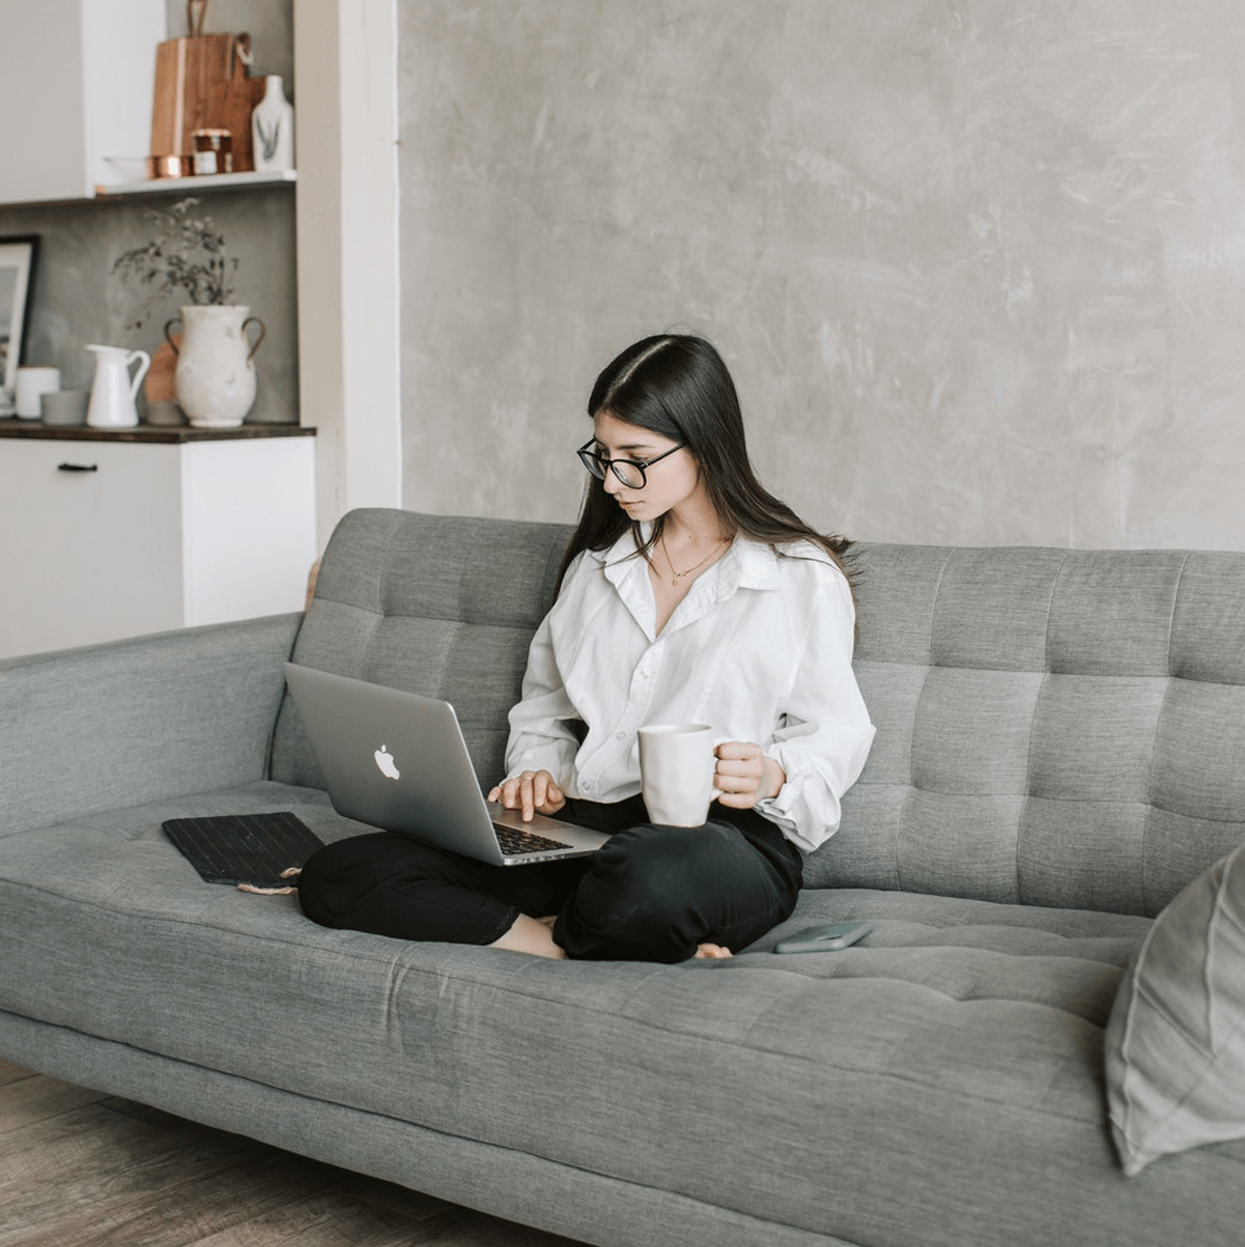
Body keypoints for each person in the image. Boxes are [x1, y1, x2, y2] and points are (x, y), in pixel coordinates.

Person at [298, 333, 875, 962]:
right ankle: (554, 941)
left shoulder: (797, 575)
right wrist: (534, 773)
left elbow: (835, 734)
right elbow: (545, 710)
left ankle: (593, 923)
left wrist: (773, 774)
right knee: (343, 871)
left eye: (636, 456)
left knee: (647, 877)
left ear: (704, 443)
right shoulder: (599, 568)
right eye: (602, 455)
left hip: (716, 839)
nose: (611, 481)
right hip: (584, 829)